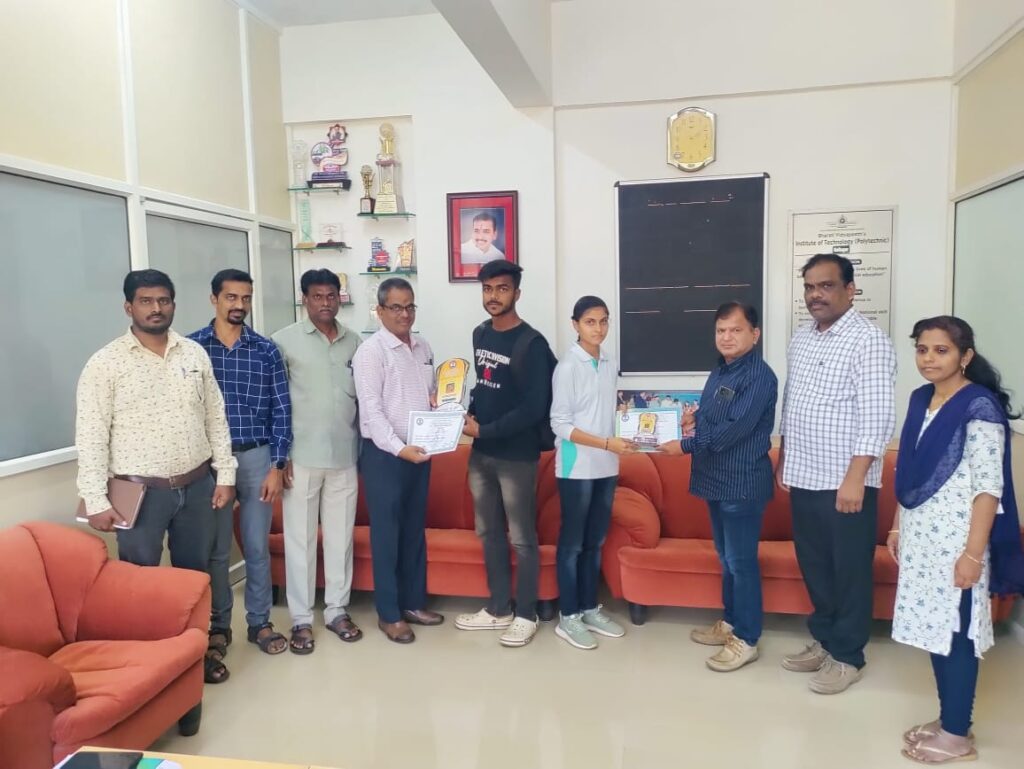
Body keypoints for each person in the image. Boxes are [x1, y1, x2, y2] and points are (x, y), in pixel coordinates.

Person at [76, 269, 237, 684]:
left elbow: (215, 417)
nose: (156, 308)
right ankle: (148, 667)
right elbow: (91, 435)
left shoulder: (192, 354)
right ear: (128, 307)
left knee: (193, 579)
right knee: (140, 584)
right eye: (146, 301)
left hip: (197, 485)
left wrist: (225, 474)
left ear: (173, 305)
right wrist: (95, 498)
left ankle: (195, 656)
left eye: (163, 300)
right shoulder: (106, 363)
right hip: (137, 493)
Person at [889, 316, 1024, 764]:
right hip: (921, 538)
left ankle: (956, 735)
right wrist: (897, 525)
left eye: (941, 350)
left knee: (958, 633)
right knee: (936, 630)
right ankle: (951, 720)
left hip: (958, 543)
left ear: (965, 356)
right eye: (922, 349)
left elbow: (989, 488)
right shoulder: (920, 398)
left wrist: (972, 554)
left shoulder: (979, 407)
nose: (929, 358)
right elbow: (908, 471)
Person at [777, 253, 896, 694]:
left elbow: (878, 416)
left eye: (826, 286)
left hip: (846, 482)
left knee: (849, 571)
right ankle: (826, 640)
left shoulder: (869, 340)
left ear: (850, 289)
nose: (815, 295)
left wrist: (856, 477)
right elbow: (792, 402)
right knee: (816, 567)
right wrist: (786, 457)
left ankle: (848, 656)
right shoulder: (801, 338)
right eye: (810, 287)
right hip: (805, 475)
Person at [658, 302, 777, 672]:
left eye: (736, 330)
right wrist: (693, 420)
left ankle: (747, 638)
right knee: (726, 559)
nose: (727, 337)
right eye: (721, 330)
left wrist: (686, 445)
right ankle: (731, 622)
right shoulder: (721, 370)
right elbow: (714, 418)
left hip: (741, 483)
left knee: (741, 563)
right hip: (715, 480)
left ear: (754, 334)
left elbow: (732, 432)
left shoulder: (759, 377)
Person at [189, 269, 291, 658]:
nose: (239, 305)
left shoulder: (266, 350)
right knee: (216, 551)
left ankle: (259, 622)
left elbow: (282, 409)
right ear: (214, 299)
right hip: (210, 464)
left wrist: (277, 465)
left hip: (256, 457)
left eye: (246, 298)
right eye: (231, 297)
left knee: (256, 547)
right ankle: (218, 626)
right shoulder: (193, 349)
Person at [457, 260, 555, 647]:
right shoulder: (480, 334)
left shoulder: (532, 344)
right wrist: (466, 412)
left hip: (517, 456)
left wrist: (487, 430)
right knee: (488, 532)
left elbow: (534, 407)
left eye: (501, 288)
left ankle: (526, 614)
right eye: (487, 289)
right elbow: (486, 387)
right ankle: (499, 608)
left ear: (517, 293)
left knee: (522, 538)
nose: (493, 296)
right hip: (481, 453)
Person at [271, 269, 361, 654]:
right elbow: (275, 403)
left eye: (331, 295)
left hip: (345, 456)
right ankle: (301, 619)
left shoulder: (355, 342)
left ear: (340, 297)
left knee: (341, 540)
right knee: (301, 541)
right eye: (317, 296)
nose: (325, 302)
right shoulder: (282, 342)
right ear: (304, 299)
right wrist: (280, 457)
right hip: (301, 458)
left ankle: (337, 610)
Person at [352, 278, 444, 643]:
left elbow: (430, 395)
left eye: (409, 307)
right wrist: (398, 447)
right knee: (387, 535)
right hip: (385, 456)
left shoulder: (423, 347)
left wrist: (441, 405)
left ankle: (413, 603)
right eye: (396, 307)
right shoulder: (370, 352)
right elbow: (371, 413)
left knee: (413, 531)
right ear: (380, 311)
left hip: (420, 452)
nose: (404, 314)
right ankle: (389, 614)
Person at [550, 296, 635, 650]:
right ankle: (568, 616)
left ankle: (588, 608)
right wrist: (604, 443)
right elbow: (559, 424)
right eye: (590, 322)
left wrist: (628, 421)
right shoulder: (568, 366)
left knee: (595, 542)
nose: (598, 328)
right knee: (572, 545)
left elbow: (607, 411)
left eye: (603, 321)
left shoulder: (609, 362)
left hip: (607, 466)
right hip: (577, 469)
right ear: (575, 325)